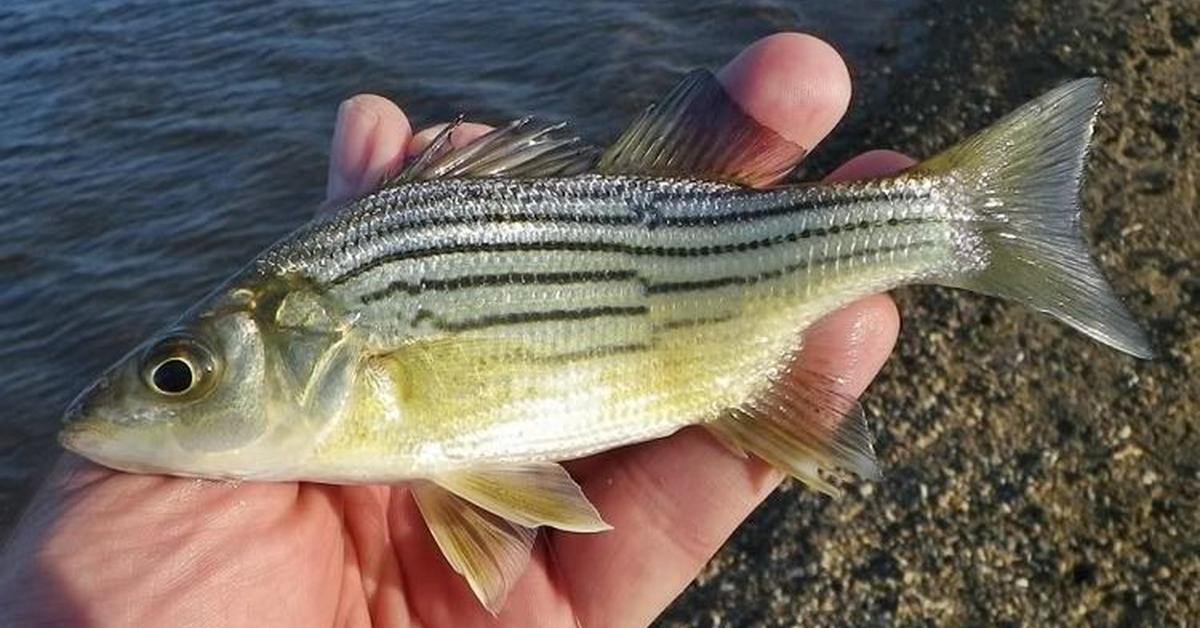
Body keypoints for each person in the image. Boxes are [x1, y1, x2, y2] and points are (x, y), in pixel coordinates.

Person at [0, 33, 908, 627]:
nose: (156, 401)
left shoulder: (350, 351)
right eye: (177, 376)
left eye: (178, 377)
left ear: (316, 340)